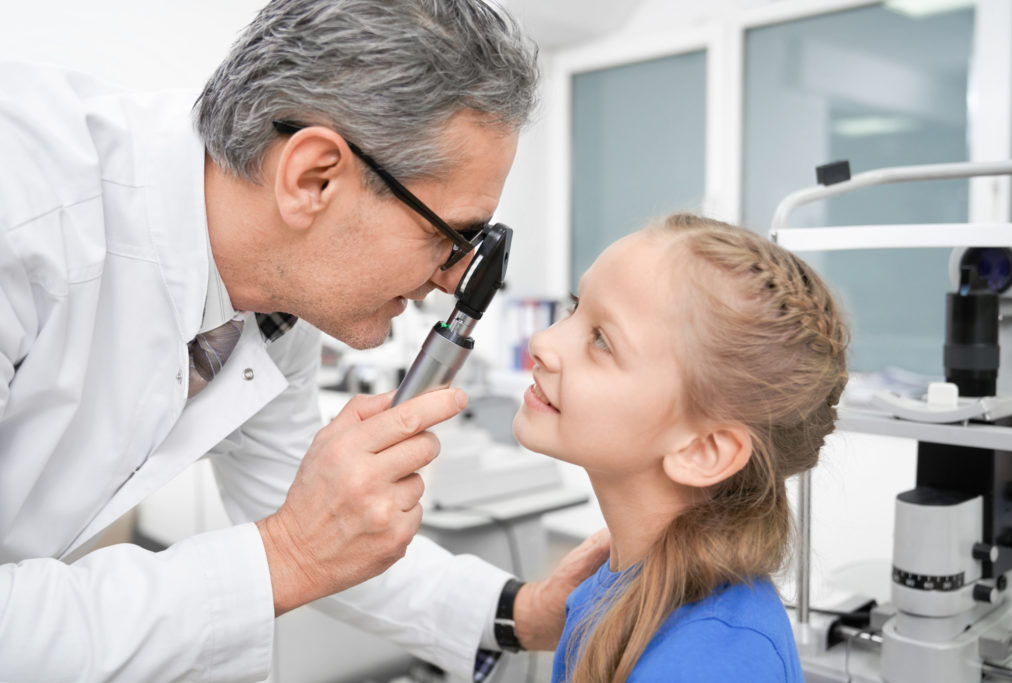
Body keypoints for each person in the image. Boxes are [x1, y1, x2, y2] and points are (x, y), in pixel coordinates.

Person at [0, 1, 609, 681]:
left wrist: (519, 613)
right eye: (451, 237)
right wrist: (286, 555)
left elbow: (321, 522)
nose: (449, 282)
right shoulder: (23, 208)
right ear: (313, 177)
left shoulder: (270, 304)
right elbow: (298, 538)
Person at [512, 213, 849, 682]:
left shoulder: (714, 661)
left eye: (602, 341)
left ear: (704, 450)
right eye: (575, 307)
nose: (542, 341)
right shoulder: (607, 589)